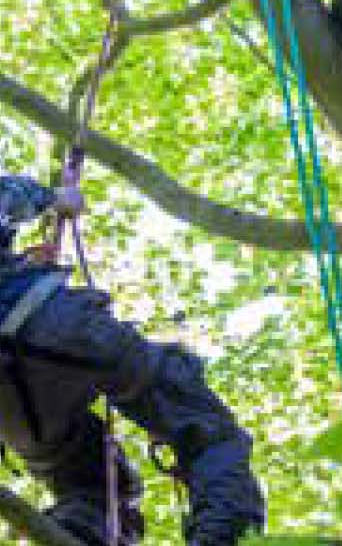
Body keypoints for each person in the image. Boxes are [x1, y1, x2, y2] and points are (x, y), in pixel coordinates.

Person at [0, 175, 265, 545]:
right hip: (51, 325)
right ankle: (225, 533)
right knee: (199, 421)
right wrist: (56, 198)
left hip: (11, 407)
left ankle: (80, 532)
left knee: (82, 480)